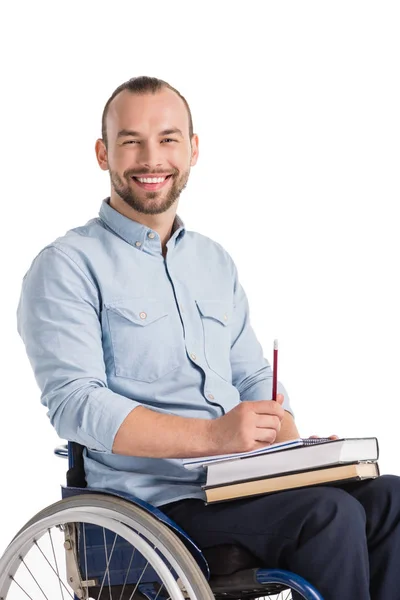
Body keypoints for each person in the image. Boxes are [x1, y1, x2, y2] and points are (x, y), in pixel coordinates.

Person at [17, 76, 400, 600]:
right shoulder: (66, 266)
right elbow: (76, 405)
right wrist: (215, 438)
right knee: (328, 515)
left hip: (242, 484)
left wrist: (286, 432)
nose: (152, 158)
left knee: (390, 499)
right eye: (131, 141)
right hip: (153, 508)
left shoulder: (213, 262)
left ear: (193, 150)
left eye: (168, 139)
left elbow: (251, 376)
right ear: (103, 153)